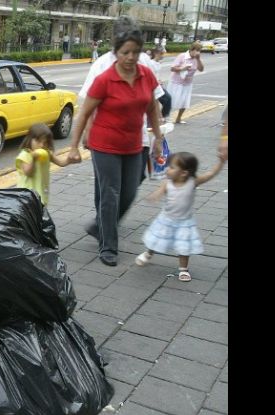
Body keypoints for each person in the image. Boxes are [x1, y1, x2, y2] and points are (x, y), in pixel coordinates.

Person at [67, 25, 164, 266]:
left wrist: (158, 138)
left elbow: (152, 107)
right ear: (117, 52)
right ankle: (108, 246)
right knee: (110, 193)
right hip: (105, 145)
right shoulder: (104, 79)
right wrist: (74, 146)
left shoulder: (146, 74)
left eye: (135, 52)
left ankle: (101, 225)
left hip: (133, 145)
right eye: (125, 52)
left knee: (129, 192)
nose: (131, 57)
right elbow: (84, 113)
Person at [135, 151, 226, 281]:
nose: (167, 170)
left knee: (184, 246)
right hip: (166, 219)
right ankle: (148, 253)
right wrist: (155, 195)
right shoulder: (167, 183)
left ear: (184, 173)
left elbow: (210, 174)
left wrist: (221, 162)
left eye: (171, 167)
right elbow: (160, 191)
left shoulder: (193, 182)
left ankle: (183, 269)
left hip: (184, 222)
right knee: (157, 238)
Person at [16, 123, 79, 206]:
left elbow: (60, 163)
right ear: (30, 139)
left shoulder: (47, 153)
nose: (41, 145)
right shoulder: (25, 155)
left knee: (40, 213)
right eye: (38, 142)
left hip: (40, 191)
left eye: (45, 142)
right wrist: (33, 159)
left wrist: (69, 160)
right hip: (26, 193)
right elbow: (28, 173)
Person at [169, 42, 204, 124]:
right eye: (197, 50)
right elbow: (172, 68)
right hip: (176, 82)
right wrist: (182, 68)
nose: (198, 52)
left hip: (187, 83)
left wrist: (198, 59)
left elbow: (201, 69)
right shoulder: (182, 56)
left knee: (184, 102)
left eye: (200, 51)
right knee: (171, 101)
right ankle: (164, 117)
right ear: (192, 50)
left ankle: (178, 118)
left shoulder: (197, 58)